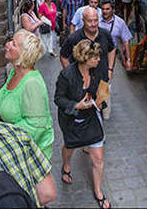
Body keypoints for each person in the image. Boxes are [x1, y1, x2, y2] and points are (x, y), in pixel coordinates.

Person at [54, 40, 111, 209]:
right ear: (85, 58)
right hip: (71, 119)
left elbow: (102, 90)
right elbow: (58, 99)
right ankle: (66, 166)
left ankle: (98, 191)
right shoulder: (67, 75)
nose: (99, 60)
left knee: (98, 158)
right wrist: (76, 105)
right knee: (70, 146)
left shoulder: (97, 71)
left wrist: (100, 102)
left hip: (91, 118)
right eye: (95, 57)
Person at [0, 29, 54, 158]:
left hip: (31, 157)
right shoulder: (15, 72)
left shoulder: (32, 83)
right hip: (14, 150)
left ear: (24, 54)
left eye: (13, 44)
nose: (7, 45)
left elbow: (36, 127)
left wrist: (0, 132)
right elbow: (9, 96)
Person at [60, 8, 115, 119]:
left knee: (104, 115)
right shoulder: (74, 38)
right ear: (83, 20)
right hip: (81, 86)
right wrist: (71, 75)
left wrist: (110, 69)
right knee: (83, 116)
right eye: (90, 21)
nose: (93, 24)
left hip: (102, 84)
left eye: (96, 20)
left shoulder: (105, 34)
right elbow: (63, 56)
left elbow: (112, 49)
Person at [98, 0, 133, 117]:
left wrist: (128, 60)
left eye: (107, 9)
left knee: (106, 81)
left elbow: (126, 41)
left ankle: (104, 108)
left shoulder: (120, 23)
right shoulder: (96, 20)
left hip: (109, 57)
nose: (105, 11)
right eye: (103, 9)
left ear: (113, 9)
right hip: (95, 56)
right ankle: (96, 105)